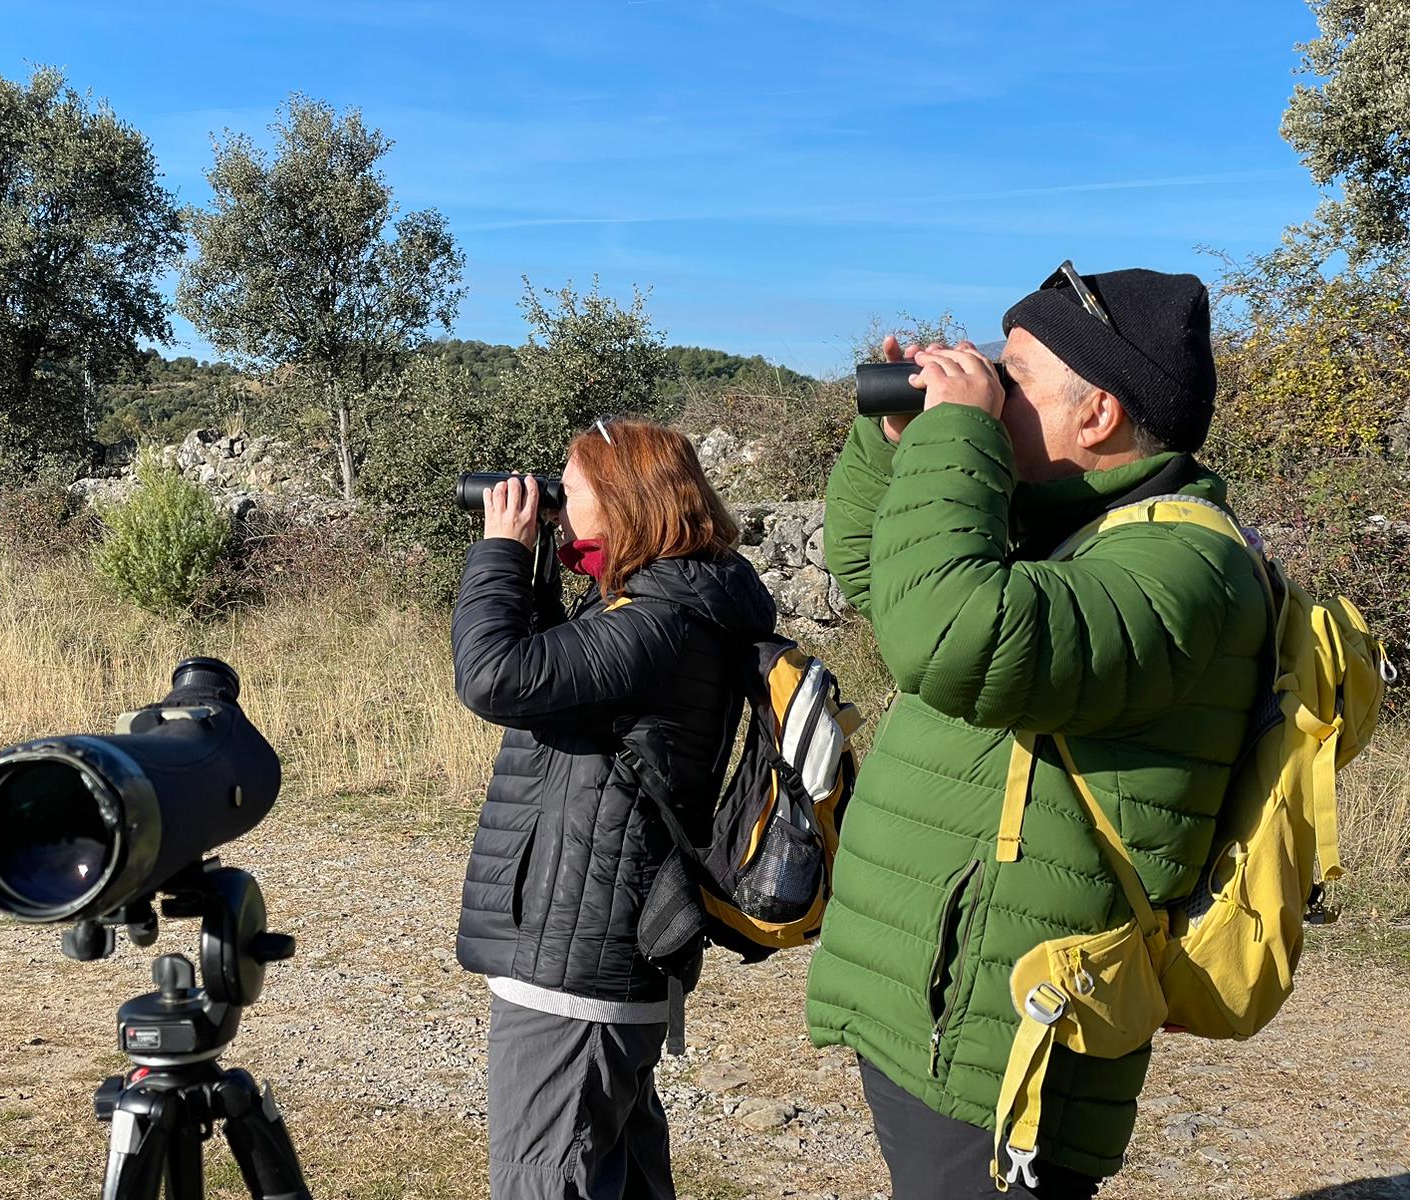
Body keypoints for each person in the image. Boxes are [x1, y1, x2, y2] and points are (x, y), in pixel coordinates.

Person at [805, 266, 1269, 1197]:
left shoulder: (1185, 565)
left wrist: (954, 439)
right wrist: (895, 443)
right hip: (947, 1001)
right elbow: (873, 570)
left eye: (1009, 376)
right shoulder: (1073, 530)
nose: (985, 384)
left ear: (1097, 413)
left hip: (1009, 1034)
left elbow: (952, 634)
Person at [451, 416, 776, 1200]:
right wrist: (537, 565)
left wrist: (497, 549)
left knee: (548, 1178)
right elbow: (559, 679)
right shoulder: (671, 607)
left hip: (576, 962)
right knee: (618, 1175)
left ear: (626, 500)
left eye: (572, 485)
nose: (555, 500)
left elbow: (494, 675)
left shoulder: (657, 622)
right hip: (599, 948)